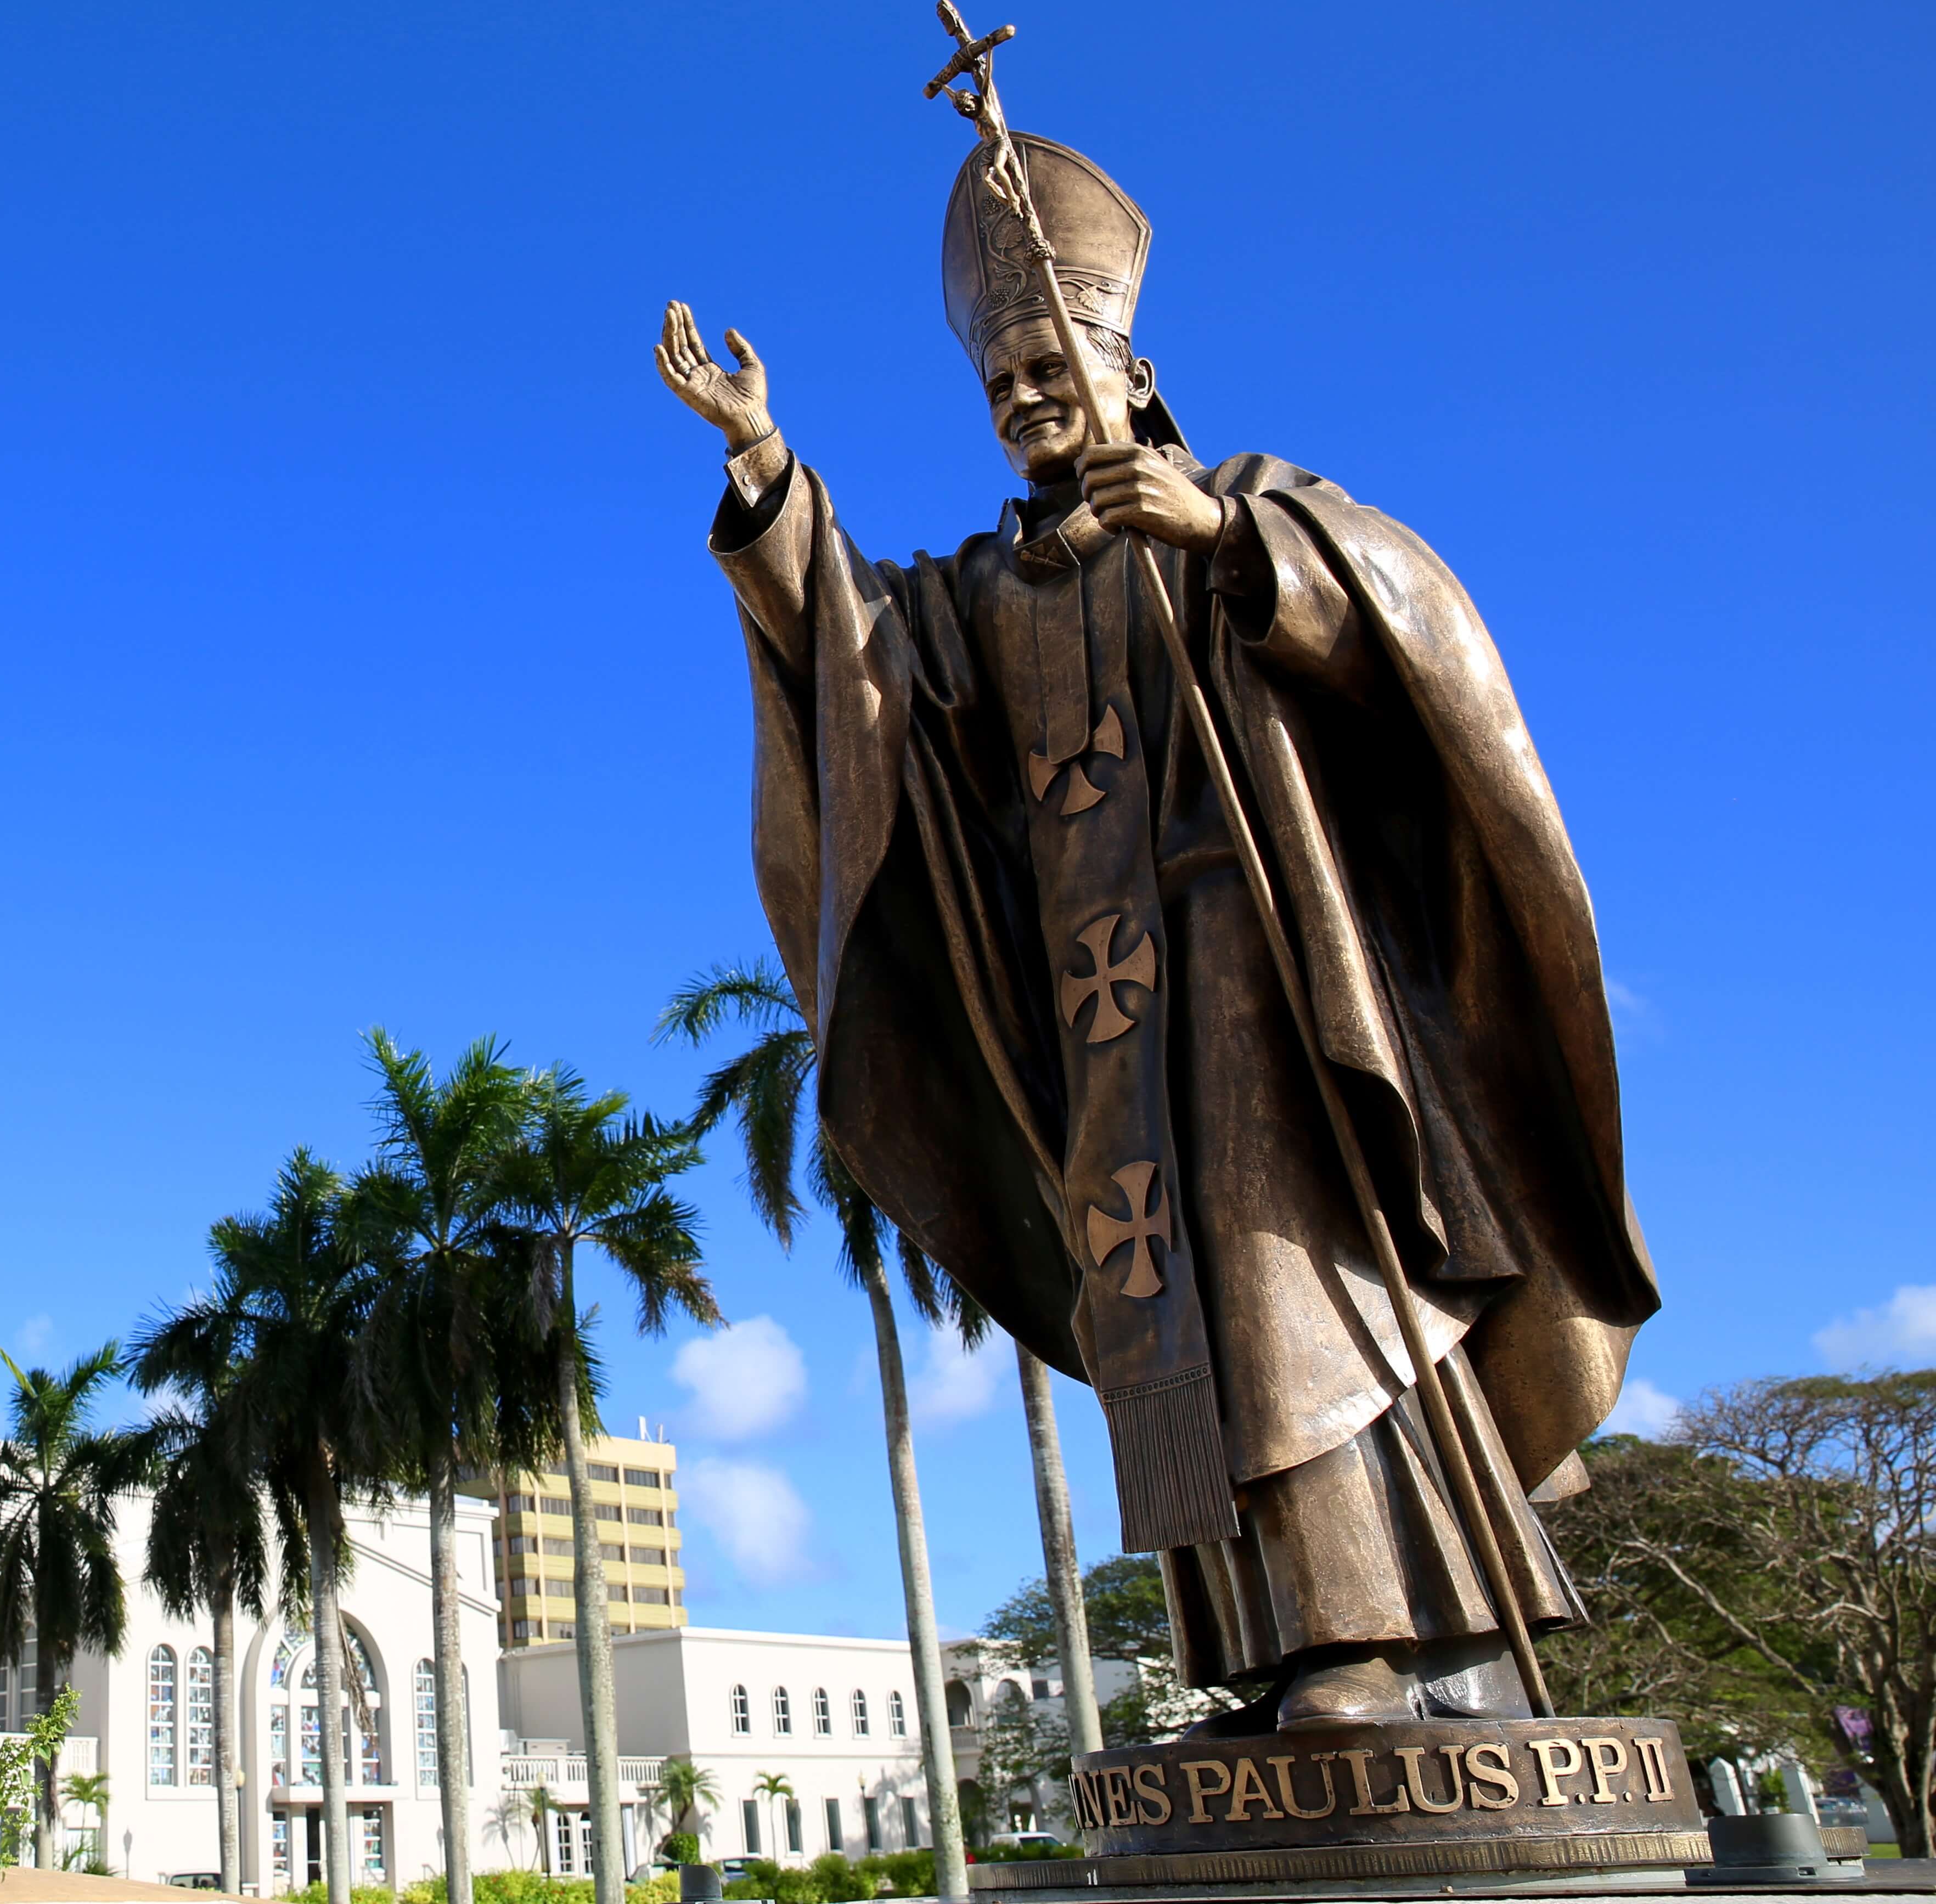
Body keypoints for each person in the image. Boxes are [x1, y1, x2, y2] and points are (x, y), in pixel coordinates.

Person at [656, 132, 1659, 1731]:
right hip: (1098, 1003)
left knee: (1288, 1276)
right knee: (1169, 1297)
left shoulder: (1248, 505)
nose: (1026, 398)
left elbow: (1417, 641)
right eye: (1002, 382)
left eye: (1052, 363)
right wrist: (766, 472)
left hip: (1260, 967)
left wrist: (1222, 544)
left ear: (1133, 363)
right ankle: (1275, 1638)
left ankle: (1379, 1638)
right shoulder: (991, 586)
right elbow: (856, 663)